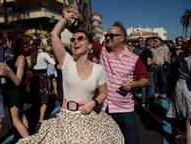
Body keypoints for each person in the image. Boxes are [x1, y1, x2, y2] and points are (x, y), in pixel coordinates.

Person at [16, 6, 124, 144]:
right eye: (73, 40)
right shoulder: (67, 61)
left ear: (90, 45)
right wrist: (65, 18)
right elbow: (54, 35)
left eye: (80, 38)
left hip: (89, 119)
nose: (75, 42)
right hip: (66, 118)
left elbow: (103, 94)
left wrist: (93, 102)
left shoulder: (99, 69)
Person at [100, 21, 149, 144]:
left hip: (124, 109)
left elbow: (145, 79)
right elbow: (85, 35)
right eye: (107, 35)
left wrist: (133, 84)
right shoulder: (103, 52)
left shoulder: (134, 59)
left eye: (111, 35)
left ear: (122, 38)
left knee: (131, 141)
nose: (107, 38)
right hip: (104, 108)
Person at [4, 33, 30, 138]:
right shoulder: (16, 56)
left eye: (7, 41)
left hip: (15, 91)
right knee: (21, 115)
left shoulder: (20, 58)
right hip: (15, 91)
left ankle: (28, 140)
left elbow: (18, 80)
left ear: (11, 42)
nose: (6, 43)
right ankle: (29, 138)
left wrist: (7, 70)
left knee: (15, 120)